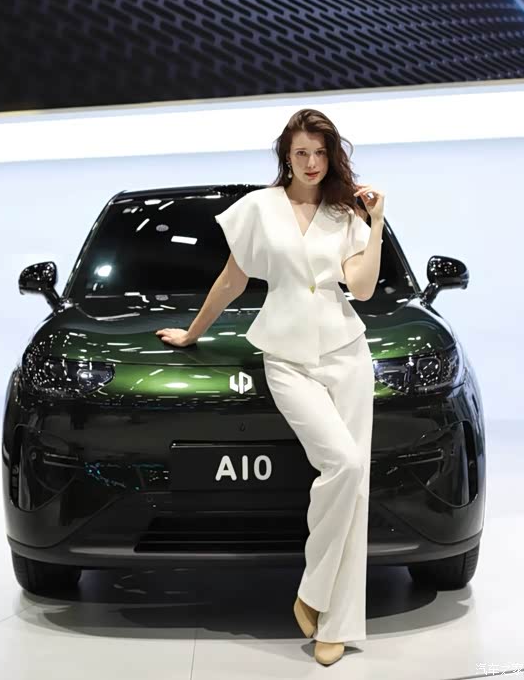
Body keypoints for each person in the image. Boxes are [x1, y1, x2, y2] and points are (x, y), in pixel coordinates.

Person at [156, 108, 384, 667]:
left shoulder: (344, 212)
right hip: (286, 356)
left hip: (346, 353)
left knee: (355, 485)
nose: (311, 162)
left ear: (332, 156)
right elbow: (232, 279)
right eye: (301, 152)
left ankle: (332, 621)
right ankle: (313, 592)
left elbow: (361, 288)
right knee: (343, 464)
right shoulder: (260, 207)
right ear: (286, 155)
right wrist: (192, 333)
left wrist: (376, 221)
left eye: (321, 153)